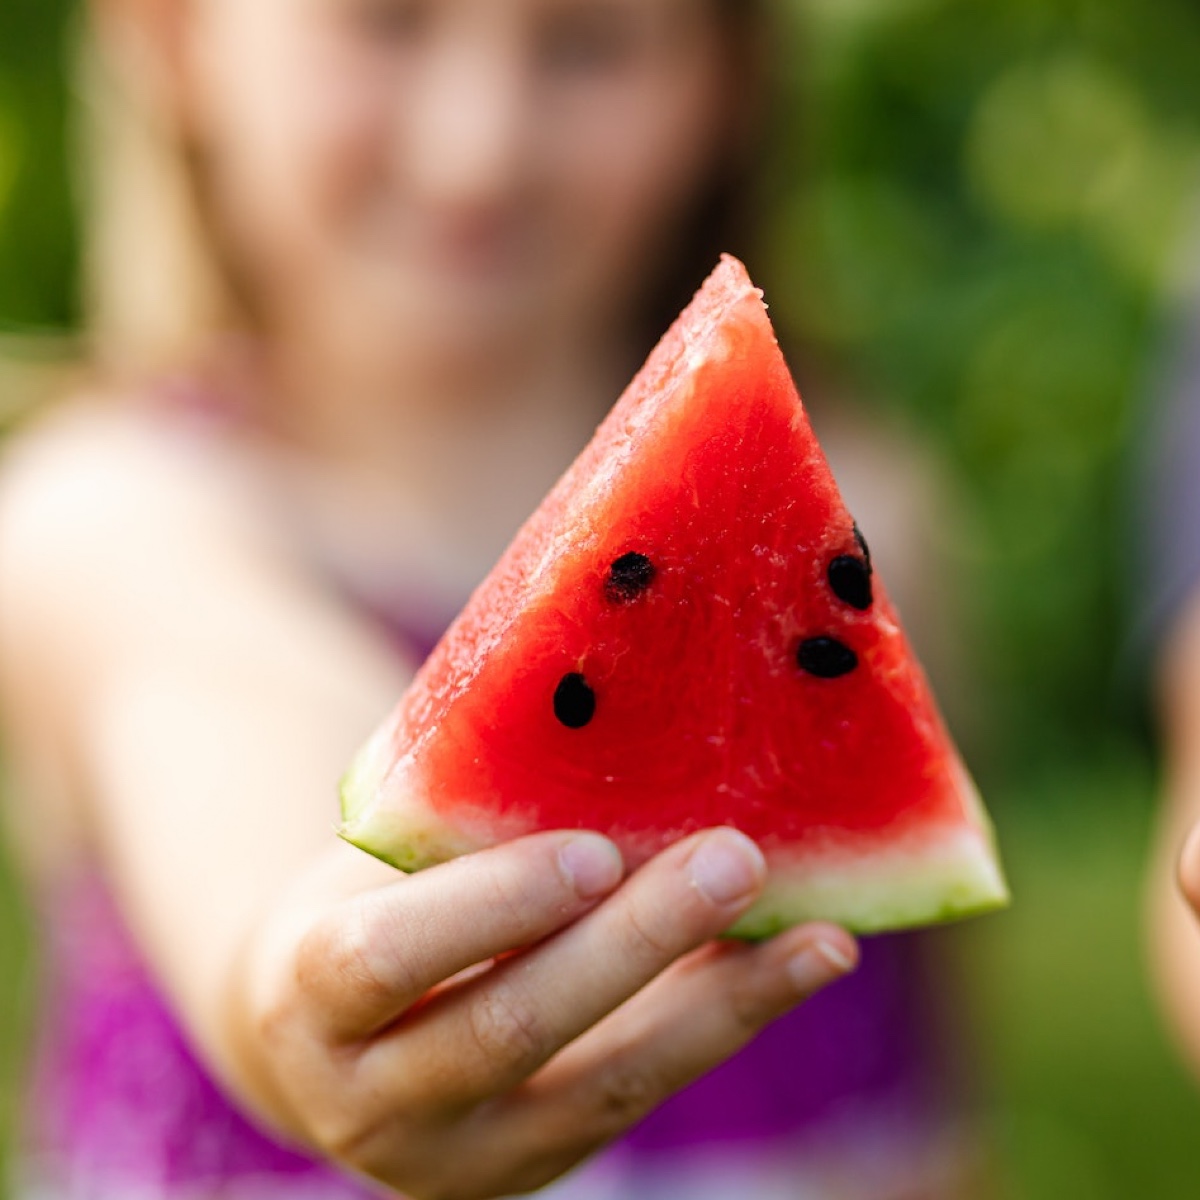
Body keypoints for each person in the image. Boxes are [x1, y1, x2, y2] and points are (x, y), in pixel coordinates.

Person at [0, 1, 979, 1197]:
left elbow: (940, 1108)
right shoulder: (106, 511)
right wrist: (301, 973)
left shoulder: (862, 516)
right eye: (386, 22)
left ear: (726, 81)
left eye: (589, 45)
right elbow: (228, 700)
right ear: (170, 37)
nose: (480, 148)